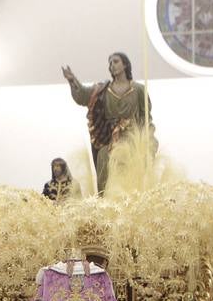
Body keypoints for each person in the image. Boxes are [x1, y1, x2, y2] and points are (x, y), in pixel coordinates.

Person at [62, 51, 153, 194]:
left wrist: (149, 143)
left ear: (125, 65)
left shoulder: (139, 90)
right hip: (109, 140)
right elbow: (84, 96)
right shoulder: (102, 90)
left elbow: (146, 120)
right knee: (104, 171)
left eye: (116, 61)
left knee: (130, 183)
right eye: (110, 63)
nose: (112, 65)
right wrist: (72, 80)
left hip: (131, 142)